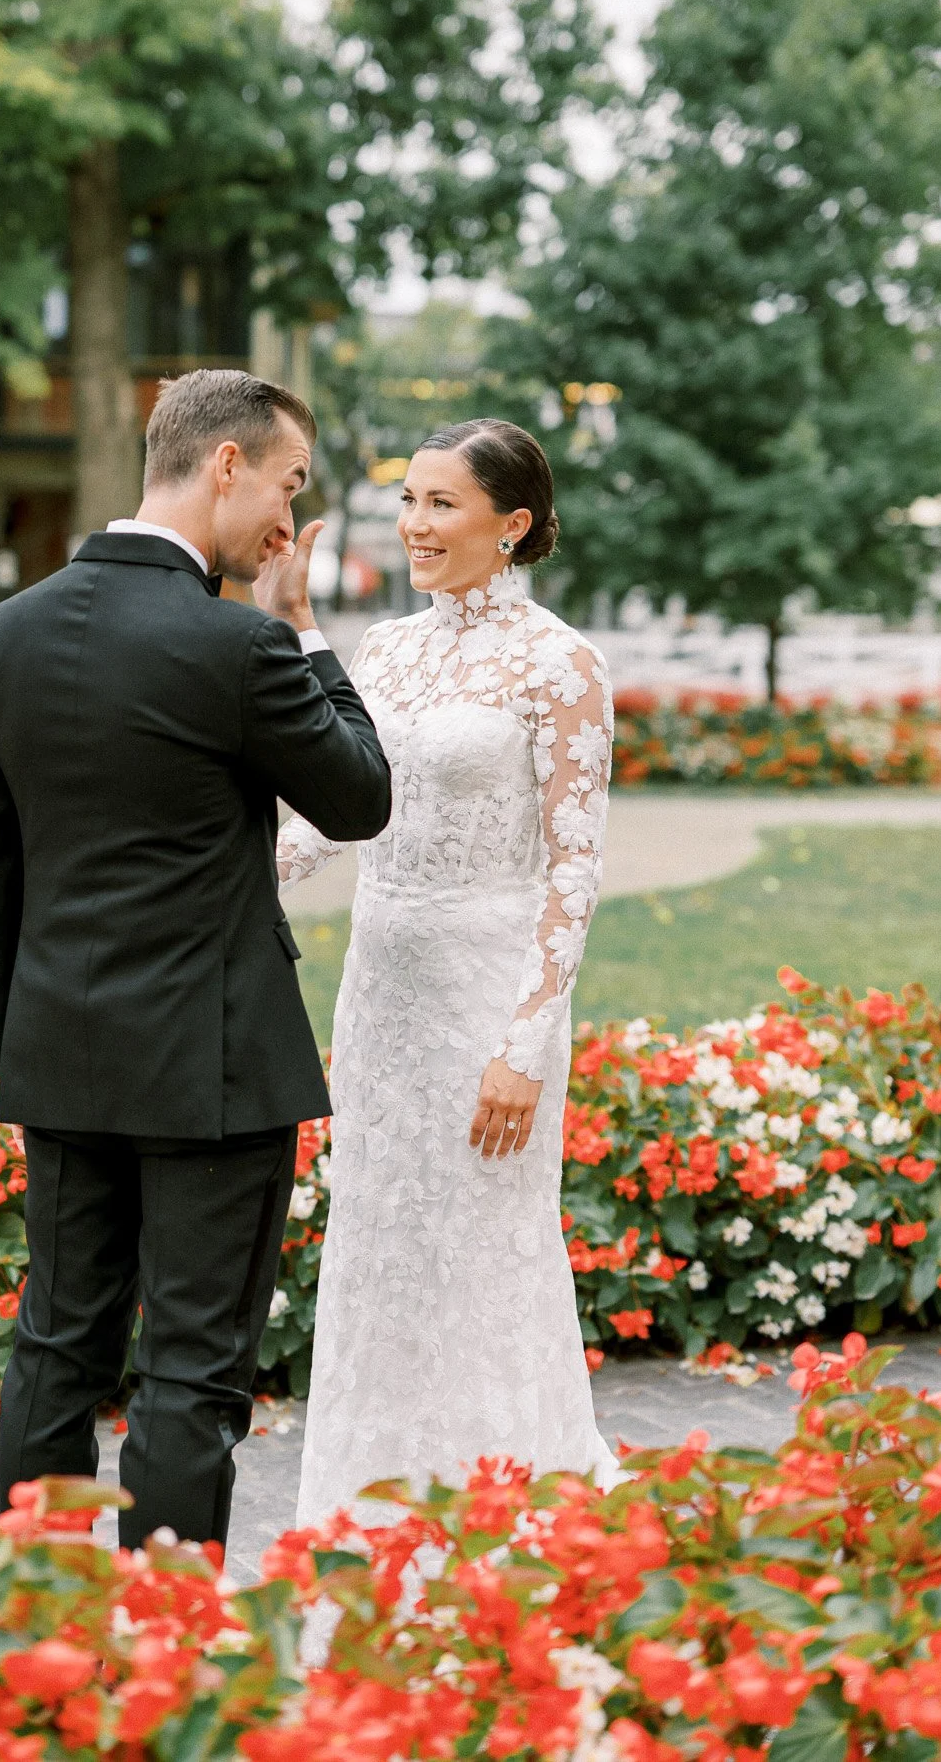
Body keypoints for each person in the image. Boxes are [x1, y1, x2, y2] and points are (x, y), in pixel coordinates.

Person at [0, 367, 391, 1550]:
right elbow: (359, 799)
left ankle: (32, 1625)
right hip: (213, 1071)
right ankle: (165, 1645)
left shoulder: (5, 634)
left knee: (56, 1343)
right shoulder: (240, 646)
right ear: (226, 464)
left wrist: (13, 1040)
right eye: (288, 482)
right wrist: (301, 626)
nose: (286, 520)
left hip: (58, 1048)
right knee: (192, 1373)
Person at [279, 417, 618, 1521]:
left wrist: (526, 1041)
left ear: (510, 525)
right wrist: (225, 875)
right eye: (408, 500)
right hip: (381, 989)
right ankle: (369, 1504)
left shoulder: (560, 663)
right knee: (383, 1242)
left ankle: (500, 1505)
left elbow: (572, 866)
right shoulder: (383, 652)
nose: (413, 525)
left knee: (481, 1248)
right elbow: (340, 818)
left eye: (440, 504)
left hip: (487, 999)